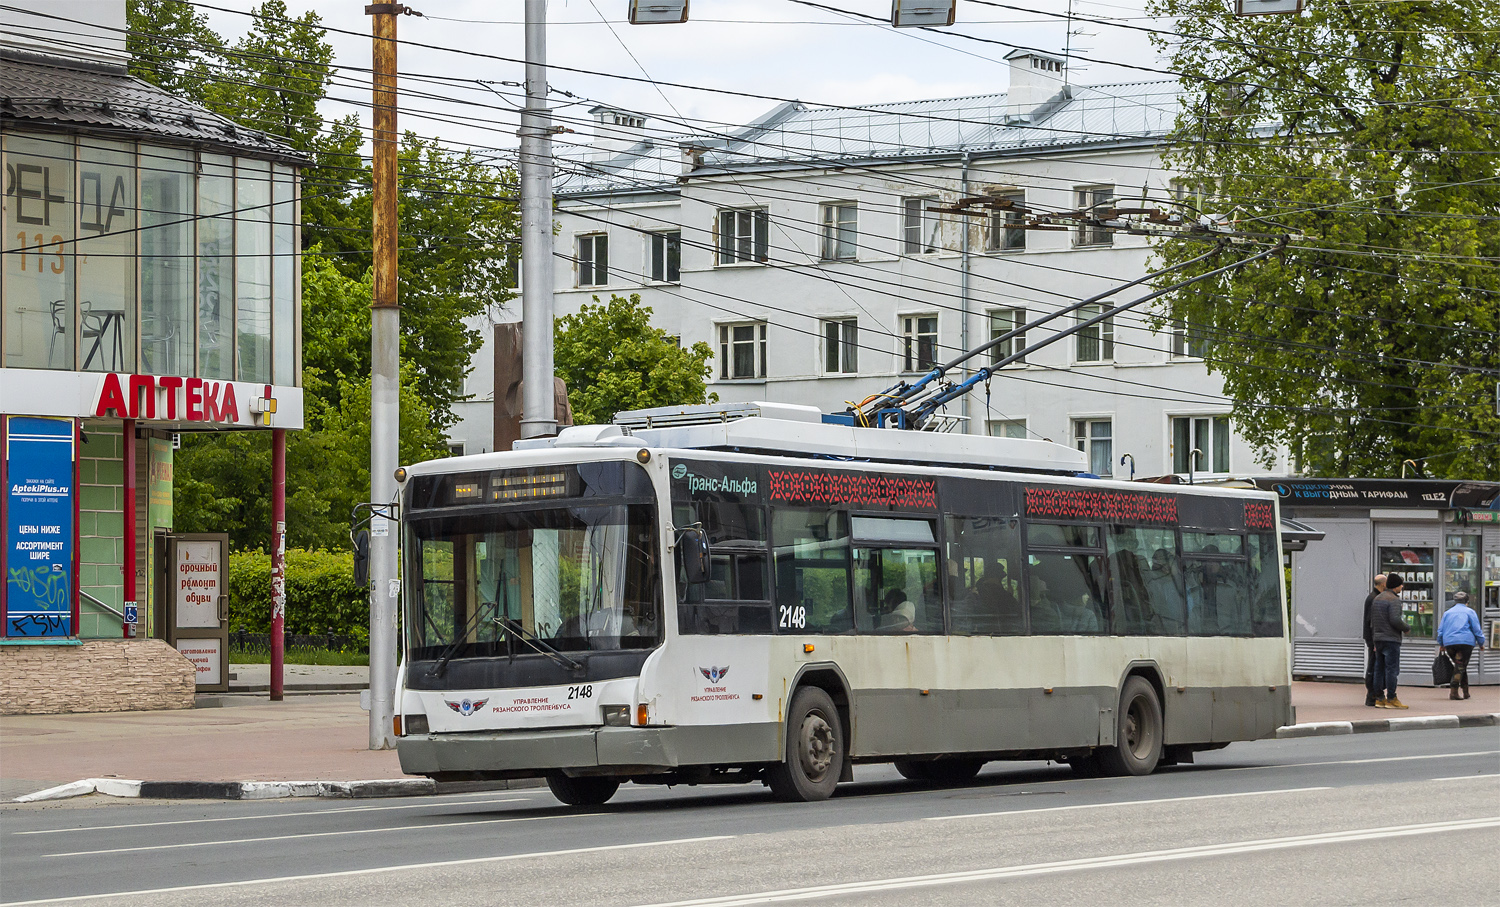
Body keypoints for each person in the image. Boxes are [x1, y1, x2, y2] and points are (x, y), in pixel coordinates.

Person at [1370, 572, 1411, 709]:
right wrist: (1406, 627)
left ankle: (1379, 698)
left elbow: (1373, 621)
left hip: (1378, 638)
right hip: (1391, 639)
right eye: (1400, 585)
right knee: (1392, 669)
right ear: (1396, 586)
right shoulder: (1393, 600)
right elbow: (1395, 619)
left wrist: (1375, 637)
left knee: (1378, 669)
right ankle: (1391, 698)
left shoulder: (1377, 598)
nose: (1402, 587)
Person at [1436, 591, 1485, 701]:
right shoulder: (1470, 612)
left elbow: (1440, 631)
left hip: (1449, 643)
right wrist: (1481, 643)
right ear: (1467, 602)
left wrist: (1442, 644)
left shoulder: (1447, 613)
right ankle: (1454, 691)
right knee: (1460, 666)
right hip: (1465, 643)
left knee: (1460, 666)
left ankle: (1466, 691)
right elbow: (1477, 630)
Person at [1361, 574, 1387, 707]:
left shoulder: (1372, 597)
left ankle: (1373, 694)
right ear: (1383, 584)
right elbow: (1372, 621)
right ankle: (1372, 694)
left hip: (1372, 636)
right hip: (1374, 637)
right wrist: (1374, 640)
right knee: (1374, 665)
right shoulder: (1375, 598)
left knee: (1375, 664)